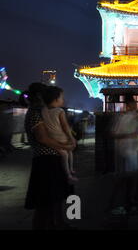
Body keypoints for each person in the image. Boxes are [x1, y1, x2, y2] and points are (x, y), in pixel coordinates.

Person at [22, 83, 76, 230]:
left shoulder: (43, 111)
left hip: (52, 159)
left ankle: (58, 224)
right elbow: (42, 138)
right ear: (40, 96)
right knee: (45, 202)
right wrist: (66, 146)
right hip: (46, 161)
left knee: (55, 198)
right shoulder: (35, 113)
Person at [109, 95, 138, 215]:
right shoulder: (124, 117)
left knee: (134, 177)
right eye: (133, 103)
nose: (136, 105)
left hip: (135, 149)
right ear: (128, 105)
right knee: (129, 178)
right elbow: (114, 134)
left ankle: (131, 201)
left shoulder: (137, 115)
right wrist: (130, 134)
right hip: (128, 151)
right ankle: (125, 203)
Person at [41, 86, 78, 182]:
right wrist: (71, 138)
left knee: (64, 154)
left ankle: (69, 173)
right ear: (56, 99)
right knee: (68, 152)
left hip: (53, 139)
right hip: (63, 138)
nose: (63, 99)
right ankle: (70, 170)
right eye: (62, 97)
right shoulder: (60, 111)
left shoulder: (43, 110)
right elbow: (65, 126)